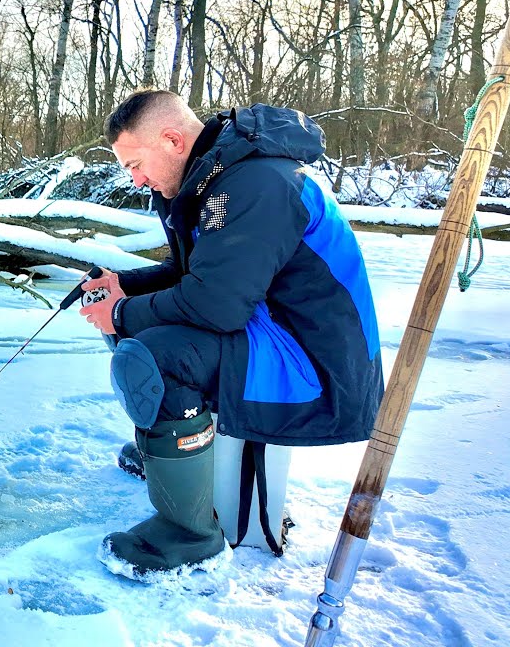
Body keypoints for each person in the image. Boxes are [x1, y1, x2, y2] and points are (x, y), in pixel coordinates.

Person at [76, 90, 383, 579]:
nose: (135, 180)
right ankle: (177, 456)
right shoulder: (214, 176)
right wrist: (122, 287)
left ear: (173, 140)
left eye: (136, 164)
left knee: (154, 356)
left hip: (313, 367)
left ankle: (190, 533)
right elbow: (200, 274)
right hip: (268, 330)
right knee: (136, 326)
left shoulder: (257, 183)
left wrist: (123, 312)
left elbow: (216, 306)